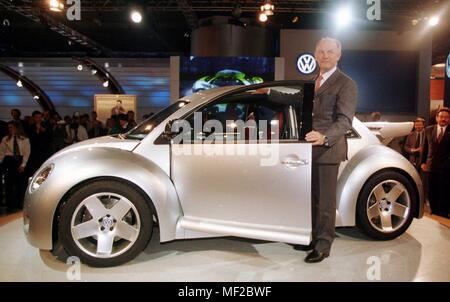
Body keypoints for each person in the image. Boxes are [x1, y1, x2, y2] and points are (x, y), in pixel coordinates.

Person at [298, 37, 358, 263]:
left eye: (330, 52)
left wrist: (325, 137)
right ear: (315, 54)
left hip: (328, 149)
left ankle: (323, 245)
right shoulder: (313, 81)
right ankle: (314, 238)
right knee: (312, 199)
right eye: (321, 51)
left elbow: (345, 121)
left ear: (338, 55)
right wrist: (266, 93)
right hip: (308, 151)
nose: (325, 55)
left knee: (325, 201)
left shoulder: (346, 83)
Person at [421, 107, 450, 218]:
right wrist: (423, 162)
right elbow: (425, 147)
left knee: (444, 190)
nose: (444, 119)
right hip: (431, 165)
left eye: (447, 117)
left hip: (447, 168)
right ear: (437, 118)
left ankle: (444, 212)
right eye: (442, 117)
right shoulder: (429, 129)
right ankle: (434, 211)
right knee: (431, 189)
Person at [0, 121, 30, 211]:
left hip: (19, 161)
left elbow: (26, 153)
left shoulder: (24, 139)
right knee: (9, 183)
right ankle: (10, 204)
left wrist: (23, 164)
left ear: (17, 128)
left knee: (20, 184)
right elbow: (1, 152)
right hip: (9, 161)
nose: (9, 129)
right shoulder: (5, 139)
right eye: (8, 128)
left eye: (11, 127)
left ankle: (19, 203)